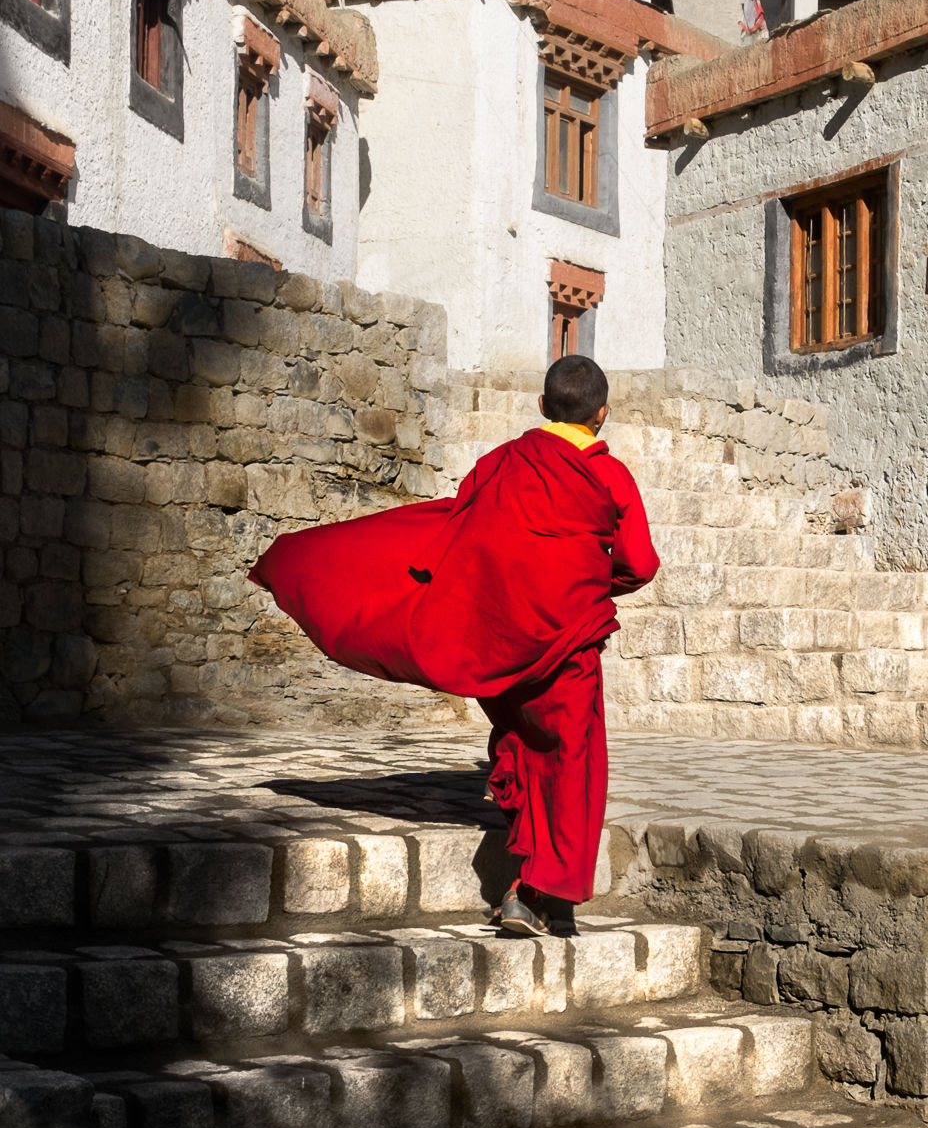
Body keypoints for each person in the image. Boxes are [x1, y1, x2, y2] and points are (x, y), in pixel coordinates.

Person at [249, 355, 658, 937]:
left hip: (500, 637)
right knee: (570, 758)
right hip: (566, 637)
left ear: (542, 408)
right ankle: (537, 893)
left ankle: (531, 886)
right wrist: (588, 580)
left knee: (525, 740)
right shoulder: (610, 477)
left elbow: (462, 532)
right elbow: (640, 563)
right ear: (603, 414)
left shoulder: (502, 462)